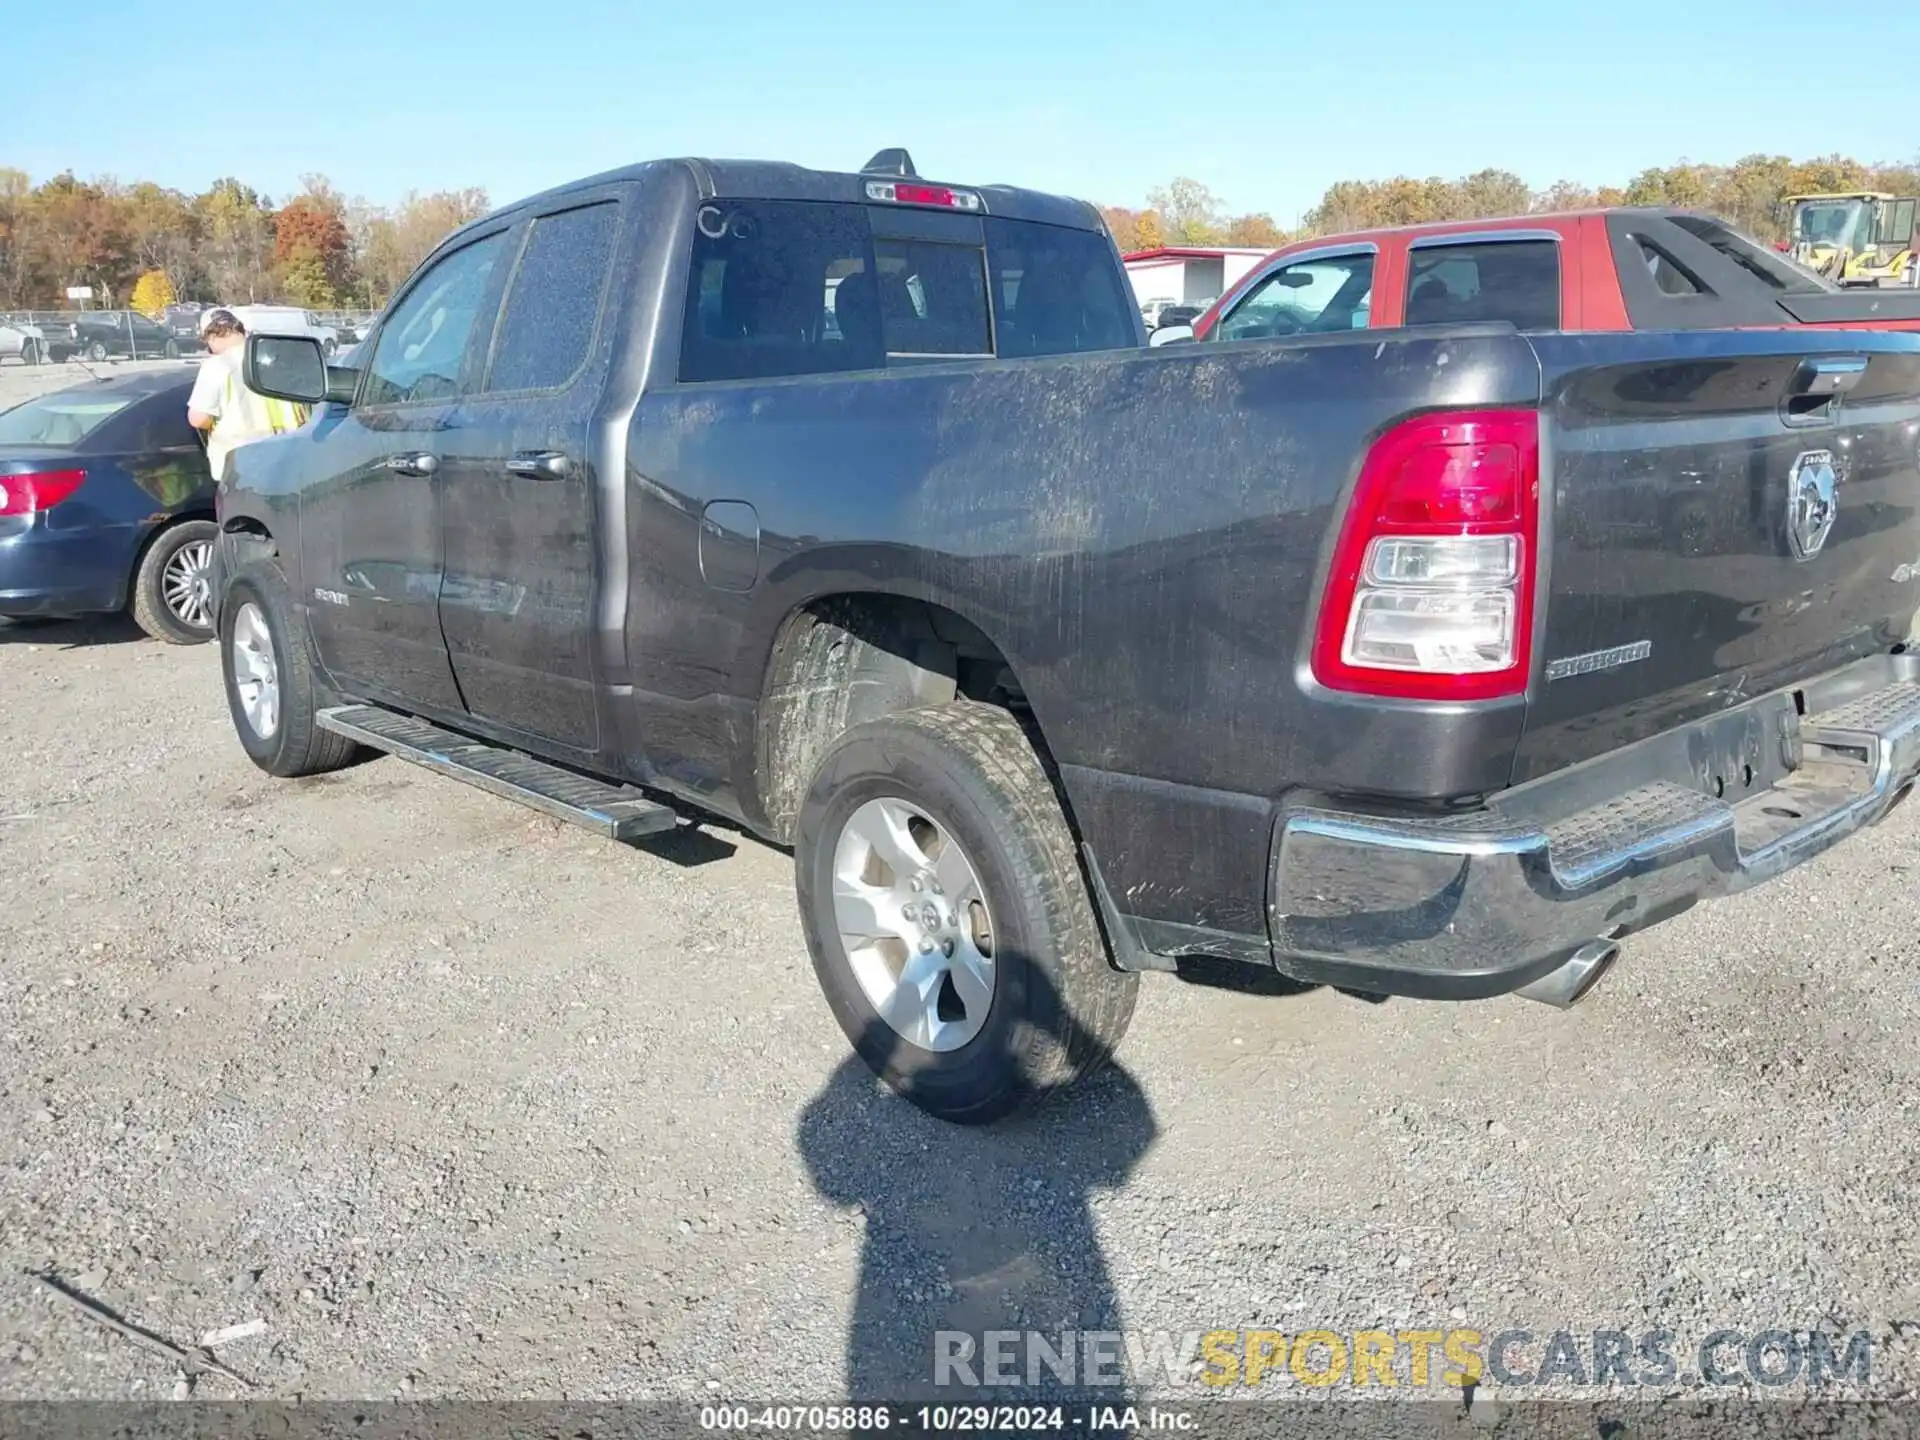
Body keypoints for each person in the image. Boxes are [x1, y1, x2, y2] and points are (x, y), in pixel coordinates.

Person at [186, 308, 309, 480]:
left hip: (243, 468)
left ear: (211, 337)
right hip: (290, 461)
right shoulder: (276, 357)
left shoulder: (217, 366)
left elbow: (198, 418)